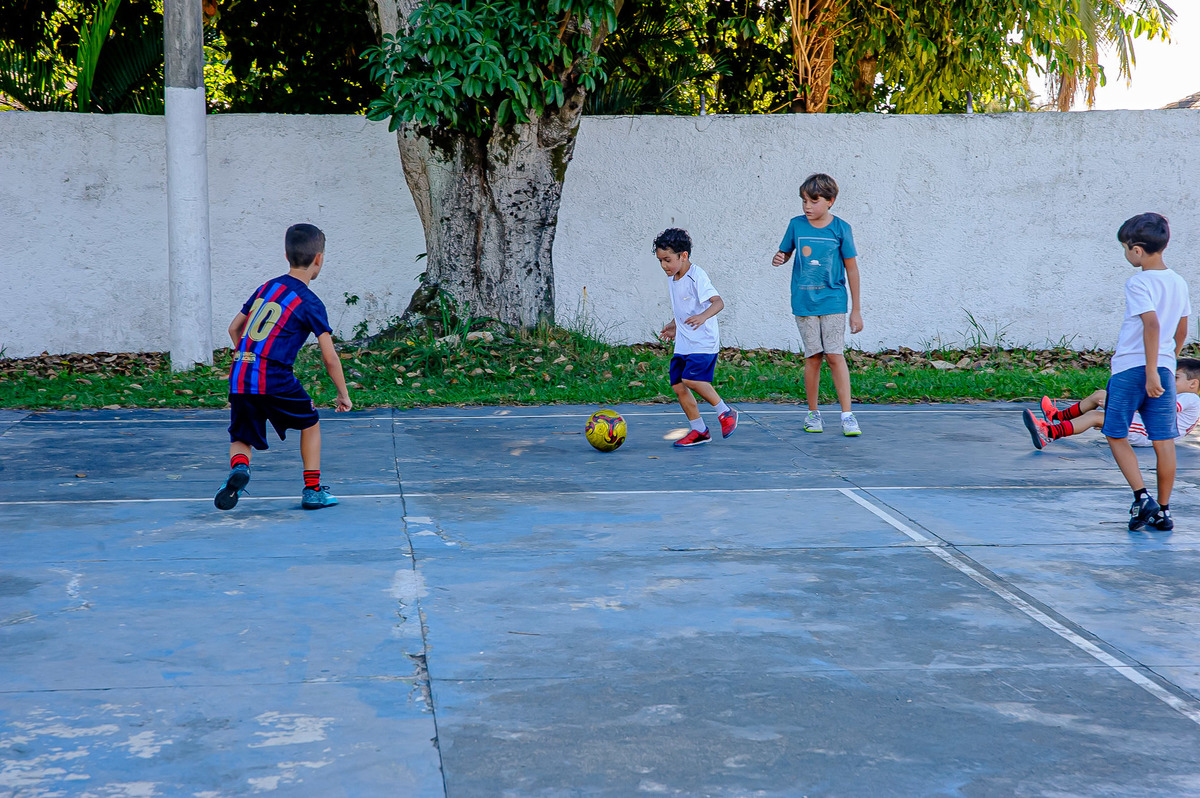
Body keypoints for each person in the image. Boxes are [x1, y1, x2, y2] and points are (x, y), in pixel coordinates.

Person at [215, 223, 353, 511]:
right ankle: (312, 490)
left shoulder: (267, 287)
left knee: (241, 435)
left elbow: (233, 328)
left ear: (286, 255)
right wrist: (343, 394)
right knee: (310, 423)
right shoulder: (309, 302)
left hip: (240, 375)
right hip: (273, 376)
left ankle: (239, 468)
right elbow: (330, 358)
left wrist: (249, 357)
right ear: (319, 259)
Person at [1085, 213, 1188, 531]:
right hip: (1165, 368)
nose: (1126, 254)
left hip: (1132, 368)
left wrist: (1151, 371)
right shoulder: (1178, 282)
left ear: (1138, 250)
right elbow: (1181, 329)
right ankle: (1164, 510)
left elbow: (1151, 324)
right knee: (1164, 440)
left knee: (1115, 433)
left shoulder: (1139, 282)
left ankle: (1142, 497)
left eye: (1125, 248)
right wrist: (1167, 363)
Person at [772, 173, 863, 436]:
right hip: (804, 302)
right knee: (813, 357)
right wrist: (780, 258)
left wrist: (856, 310)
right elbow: (785, 252)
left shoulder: (841, 229)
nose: (807, 206)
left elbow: (852, 269)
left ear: (830, 201)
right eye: (804, 201)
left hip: (833, 301)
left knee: (835, 355)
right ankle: (813, 413)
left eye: (814, 201)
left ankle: (847, 415)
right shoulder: (796, 225)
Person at [655, 228, 738, 448]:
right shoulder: (673, 278)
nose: (664, 265)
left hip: (703, 342)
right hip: (684, 343)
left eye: (667, 260)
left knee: (691, 379)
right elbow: (684, 307)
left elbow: (718, 302)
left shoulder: (697, 275)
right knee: (678, 386)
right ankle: (699, 430)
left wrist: (702, 317)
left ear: (683, 255)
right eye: (660, 260)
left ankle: (725, 411)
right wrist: (674, 325)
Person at [1023, 357, 1200, 450]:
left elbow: (1161, 411)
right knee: (1100, 394)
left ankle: (1048, 433)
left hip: (1148, 433)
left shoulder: (1190, 398)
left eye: (1175, 378)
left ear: (1193, 384)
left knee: (1095, 416)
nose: (1167, 381)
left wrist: (1119, 408)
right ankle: (1058, 417)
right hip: (1146, 426)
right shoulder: (1181, 396)